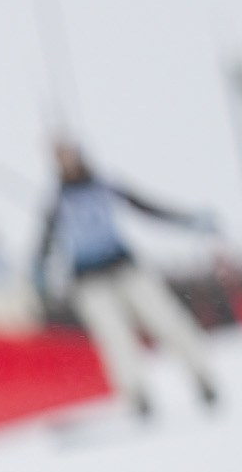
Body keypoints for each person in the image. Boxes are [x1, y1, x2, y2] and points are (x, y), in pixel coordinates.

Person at [32, 141, 222, 417]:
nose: (67, 162)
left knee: (167, 321)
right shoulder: (57, 201)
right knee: (116, 338)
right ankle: (137, 396)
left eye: (70, 155)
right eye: (61, 158)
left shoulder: (104, 186)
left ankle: (202, 378)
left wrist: (188, 221)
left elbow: (148, 208)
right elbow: (44, 244)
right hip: (88, 280)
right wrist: (39, 274)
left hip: (124, 268)